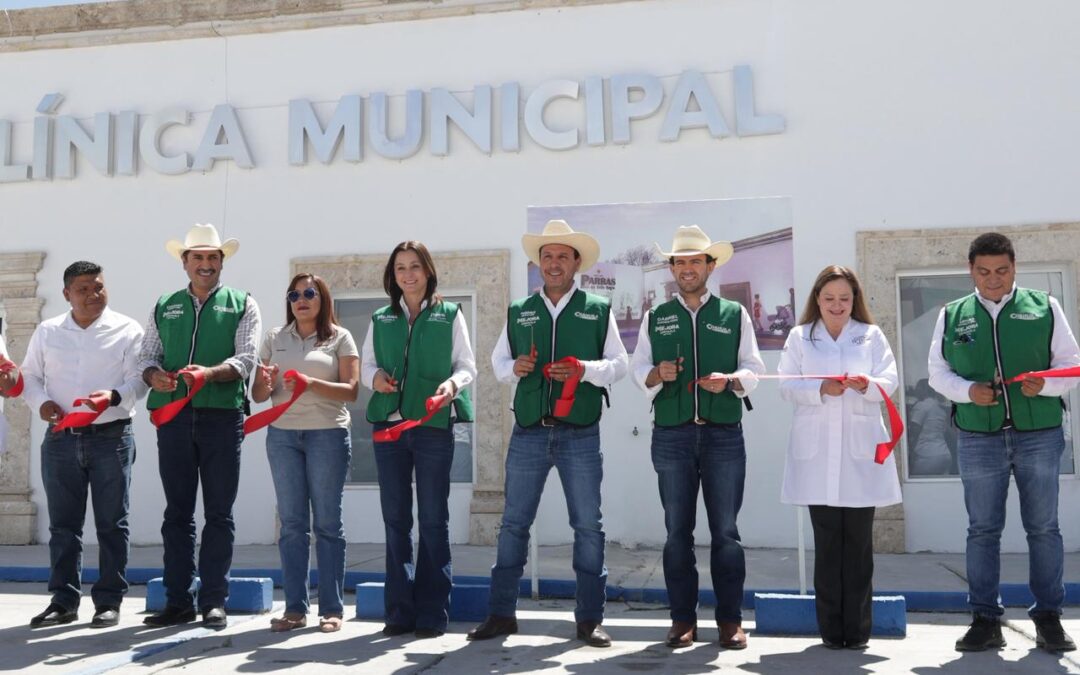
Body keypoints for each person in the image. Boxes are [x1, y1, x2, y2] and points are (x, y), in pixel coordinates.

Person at [468, 219, 628, 647]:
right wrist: (515, 369)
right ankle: (501, 614)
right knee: (513, 525)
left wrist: (585, 370)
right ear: (538, 263)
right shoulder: (520, 310)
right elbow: (498, 362)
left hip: (580, 433)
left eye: (562, 256)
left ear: (576, 262)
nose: (554, 264)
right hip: (529, 433)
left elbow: (620, 364)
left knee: (588, 527)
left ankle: (589, 619)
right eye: (547, 256)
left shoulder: (597, 308)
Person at [928, 232, 1080, 653]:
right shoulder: (953, 314)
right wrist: (967, 392)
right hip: (979, 437)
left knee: (1044, 528)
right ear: (971, 270)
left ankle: (1048, 618)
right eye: (983, 271)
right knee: (982, 530)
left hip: (1040, 435)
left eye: (1002, 270)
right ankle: (985, 619)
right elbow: (938, 373)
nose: (993, 280)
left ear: (1014, 267)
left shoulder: (1044, 306)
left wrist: (1045, 385)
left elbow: (1072, 364)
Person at [629, 225, 763, 649]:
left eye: (695, 261)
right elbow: (638, 370)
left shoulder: (734, 314)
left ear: (710, 265)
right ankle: (682, 620)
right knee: (676, 533)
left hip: (724, 435)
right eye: (680, 261)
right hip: (671, 435)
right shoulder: (656, 317)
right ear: (672, 267)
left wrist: (732, 380)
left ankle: (730, 621)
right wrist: (656, 374)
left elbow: (754, 369)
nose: (687, 268)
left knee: (726, 532)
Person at [139, 223, 261, 629]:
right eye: (198, 258)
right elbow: (146, 357)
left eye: (212, 258)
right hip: (173, 418)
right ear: (185, 262)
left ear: (221, 262)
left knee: (219, 514)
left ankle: (213, 601)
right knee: (177, 513)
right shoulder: (165, 303)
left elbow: (247, 360)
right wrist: (154, 374)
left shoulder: (243, 302)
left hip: (222, 417)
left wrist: (210, 373)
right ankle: (177, 601)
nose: (205, 265)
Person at [777, 265, 901, 650]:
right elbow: (785, 384)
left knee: (859, 547)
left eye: (844, 299)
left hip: (860, 456)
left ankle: (858, 631)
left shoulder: (870, 335)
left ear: (854, 300)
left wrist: (867, 385)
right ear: (817, 299)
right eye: (829, 298)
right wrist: (821, 388)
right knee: (828, 546)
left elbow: (890, 379)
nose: (837, 305)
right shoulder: (800, 337)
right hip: (817, 455)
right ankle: (832, 632)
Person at [20, 261, 147, 628]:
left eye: (99, 287)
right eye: (83, 289)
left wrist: (113, 396)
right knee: (64, 526)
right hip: (60, 440)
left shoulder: (127, 329)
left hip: (112, 438)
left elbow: (139, 381)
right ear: (66, 294)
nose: (93, 295)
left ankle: (108, 601)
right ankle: (63, 601)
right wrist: (41, 403)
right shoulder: (47, 331)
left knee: (112, 524)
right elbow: (29, 376)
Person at [361, 241, 476, 639]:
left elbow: (467, 366)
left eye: (414, 267)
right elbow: (366, 365)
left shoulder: (450, 314)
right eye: (400, 269)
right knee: (395, 520)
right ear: (392, 276)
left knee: (433, 519)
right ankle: (399, 611)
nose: (408, 275)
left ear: (428, 271)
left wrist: (451, 384)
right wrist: (374, 378)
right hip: (389, 429)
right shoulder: (381, 317)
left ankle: (431, 612)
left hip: (431, 428)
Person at [252, 273, 359, 634]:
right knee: (293, 525)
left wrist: (311, 383)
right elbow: (257, 395)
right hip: (282, 437)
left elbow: (352, 391)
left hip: (327, 435)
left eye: (309, 293)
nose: (302, 299)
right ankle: (295, 608)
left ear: (322, 298)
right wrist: (264, 383)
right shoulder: (274, 338)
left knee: (327, 524)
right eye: (295, 294)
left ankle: (332, 609)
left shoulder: (340, 338)